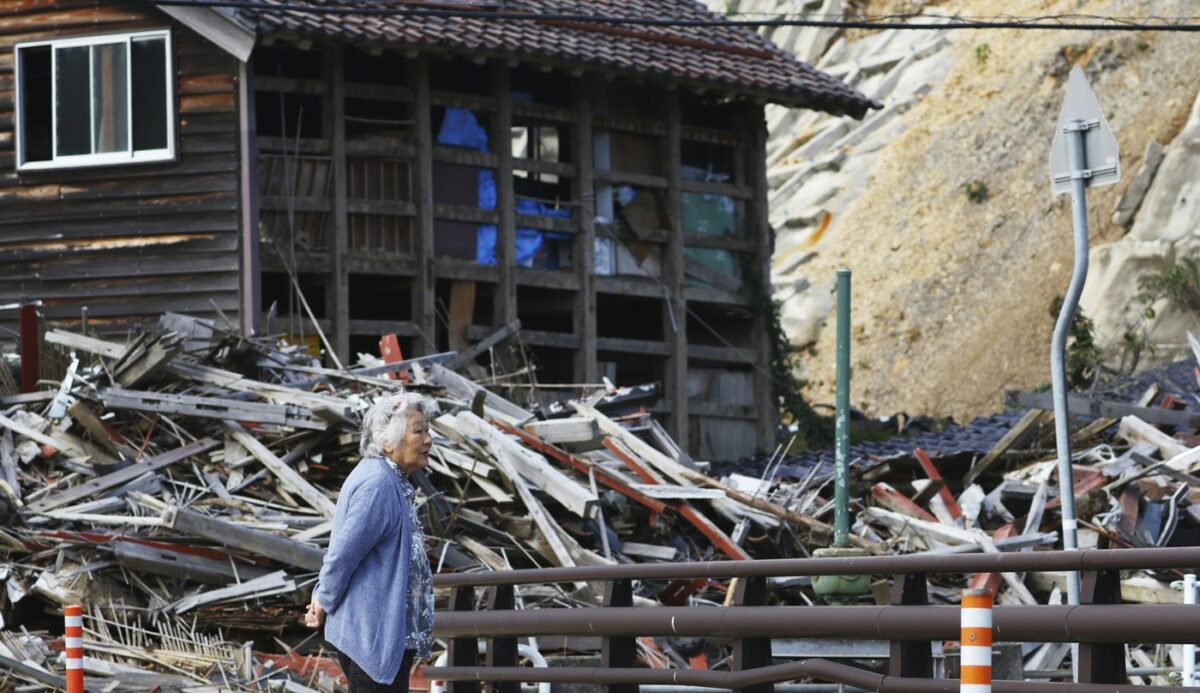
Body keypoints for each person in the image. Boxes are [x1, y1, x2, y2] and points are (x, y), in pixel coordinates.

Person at [304, 391, 435, 692]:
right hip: (370, 636)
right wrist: (323, 598)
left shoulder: (391, 480)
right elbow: (343, 553)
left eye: (428, 430)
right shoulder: (378, 485)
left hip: (378, 635)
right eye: (419, 431)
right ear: (388, 442)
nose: (428, 439)